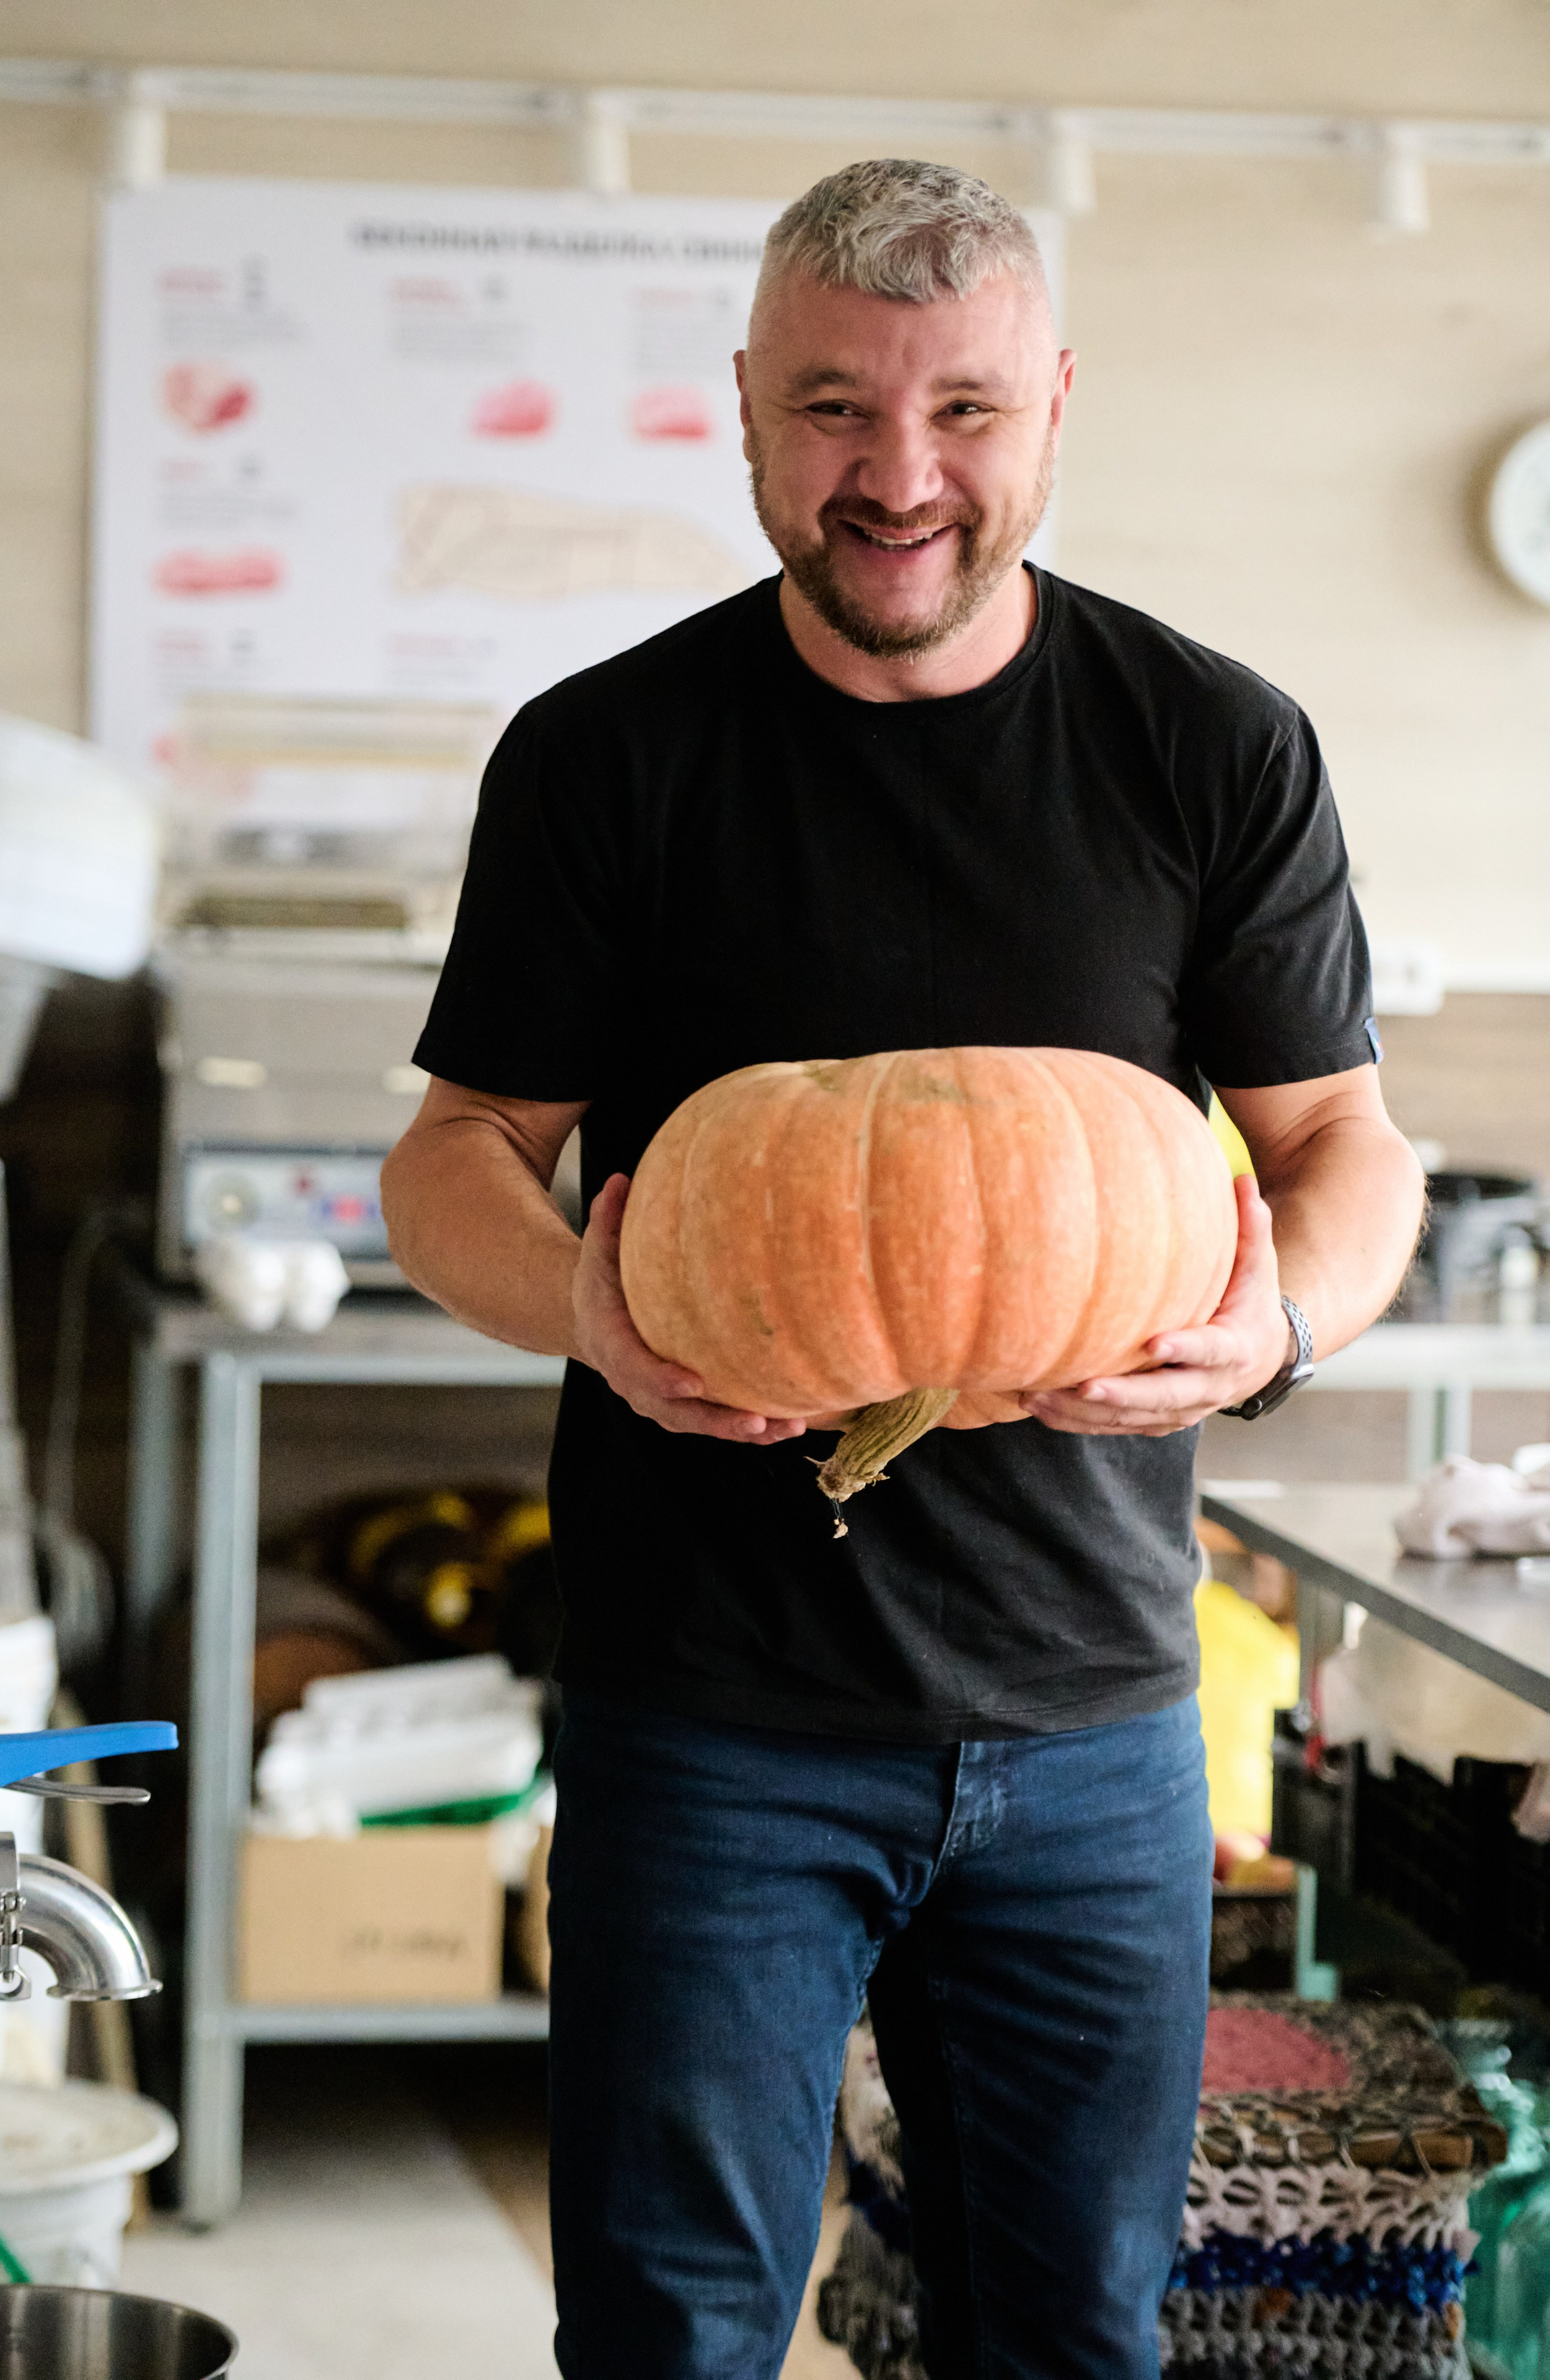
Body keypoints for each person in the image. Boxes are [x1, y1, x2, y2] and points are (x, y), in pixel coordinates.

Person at [382, 158, 1425, 2380]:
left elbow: (1345, 1148)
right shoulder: (609, 758)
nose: (900, 475)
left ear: (1054, 407)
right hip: (712, 1714)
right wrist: (588, 1304)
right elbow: (458, 1154)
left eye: (960, 410)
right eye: (837, 409)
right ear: (746, 413)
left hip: (1099, 1714)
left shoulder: (1209, 744)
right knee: (669, 2334)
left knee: (1075, 2337)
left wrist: (1283, 1319)